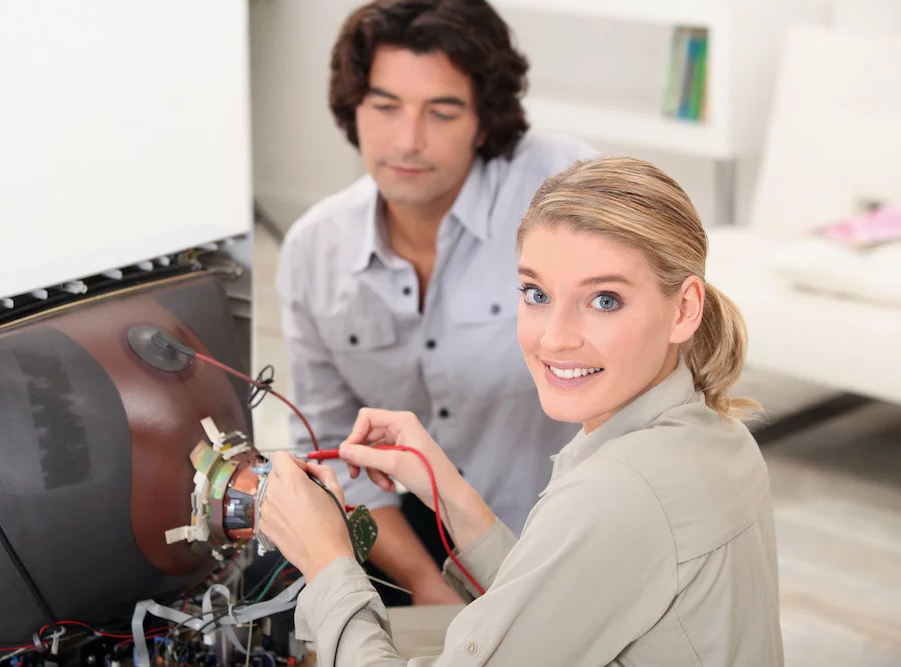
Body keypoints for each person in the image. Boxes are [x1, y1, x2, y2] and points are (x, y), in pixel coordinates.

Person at [260, 156, 783, 666]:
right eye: (536, 293)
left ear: (684, 309)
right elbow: (564, 602)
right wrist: (448, 490)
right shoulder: (719, 435)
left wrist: (327, 561)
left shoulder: (621, 490)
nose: (554, 338)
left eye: (604, 300)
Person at [275, 0, 598, 606]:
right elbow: (332, 444)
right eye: (385, 106)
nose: (408, 140)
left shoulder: (569, 188)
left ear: (483, 121)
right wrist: (428, 588)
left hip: (563, 527)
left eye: (441, 112)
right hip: (410, 533)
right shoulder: (314, 251)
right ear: (354, 110)